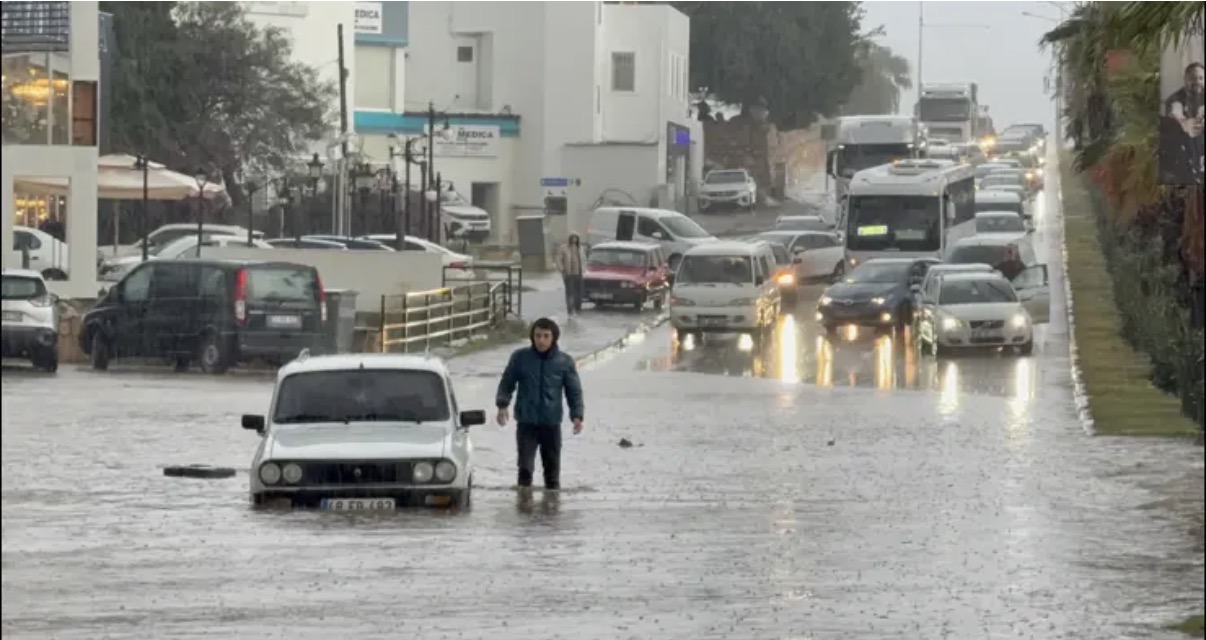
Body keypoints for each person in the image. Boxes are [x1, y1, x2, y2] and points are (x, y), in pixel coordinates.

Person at [495, 317, 585, 491]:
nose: (541, 340)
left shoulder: (564, 362)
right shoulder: (520, 358)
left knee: (552, 474)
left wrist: (577, 416)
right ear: (532, 337)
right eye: (537, 336)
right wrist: (502, 405)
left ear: (553, 338)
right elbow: (507, 383)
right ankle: (524, 508)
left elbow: (574, 392)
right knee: (525, 469)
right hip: (526, 422)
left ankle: (551, 512)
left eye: (545, 336)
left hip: (551, 423)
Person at [1162, 62, 1205, 184]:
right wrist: (1185, 122)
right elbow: (1176, 110)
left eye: (1201, 78)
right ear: (1185, 80)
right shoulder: (1176, 98)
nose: (1197, 81)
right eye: (1193, 78)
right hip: (1183, 158)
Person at [556, 233, 587, 315]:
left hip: (579, 273)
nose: (574, 240)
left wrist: (583, 269)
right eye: (573, 238)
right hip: (568, 274)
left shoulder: (580, 248)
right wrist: (562, 269)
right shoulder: (564, 248)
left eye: (576, 238)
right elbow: (558, 259)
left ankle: (577, 308)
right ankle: (570, 310)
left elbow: (584, 259)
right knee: (570, 292)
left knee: (579, 292)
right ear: (570, 239)